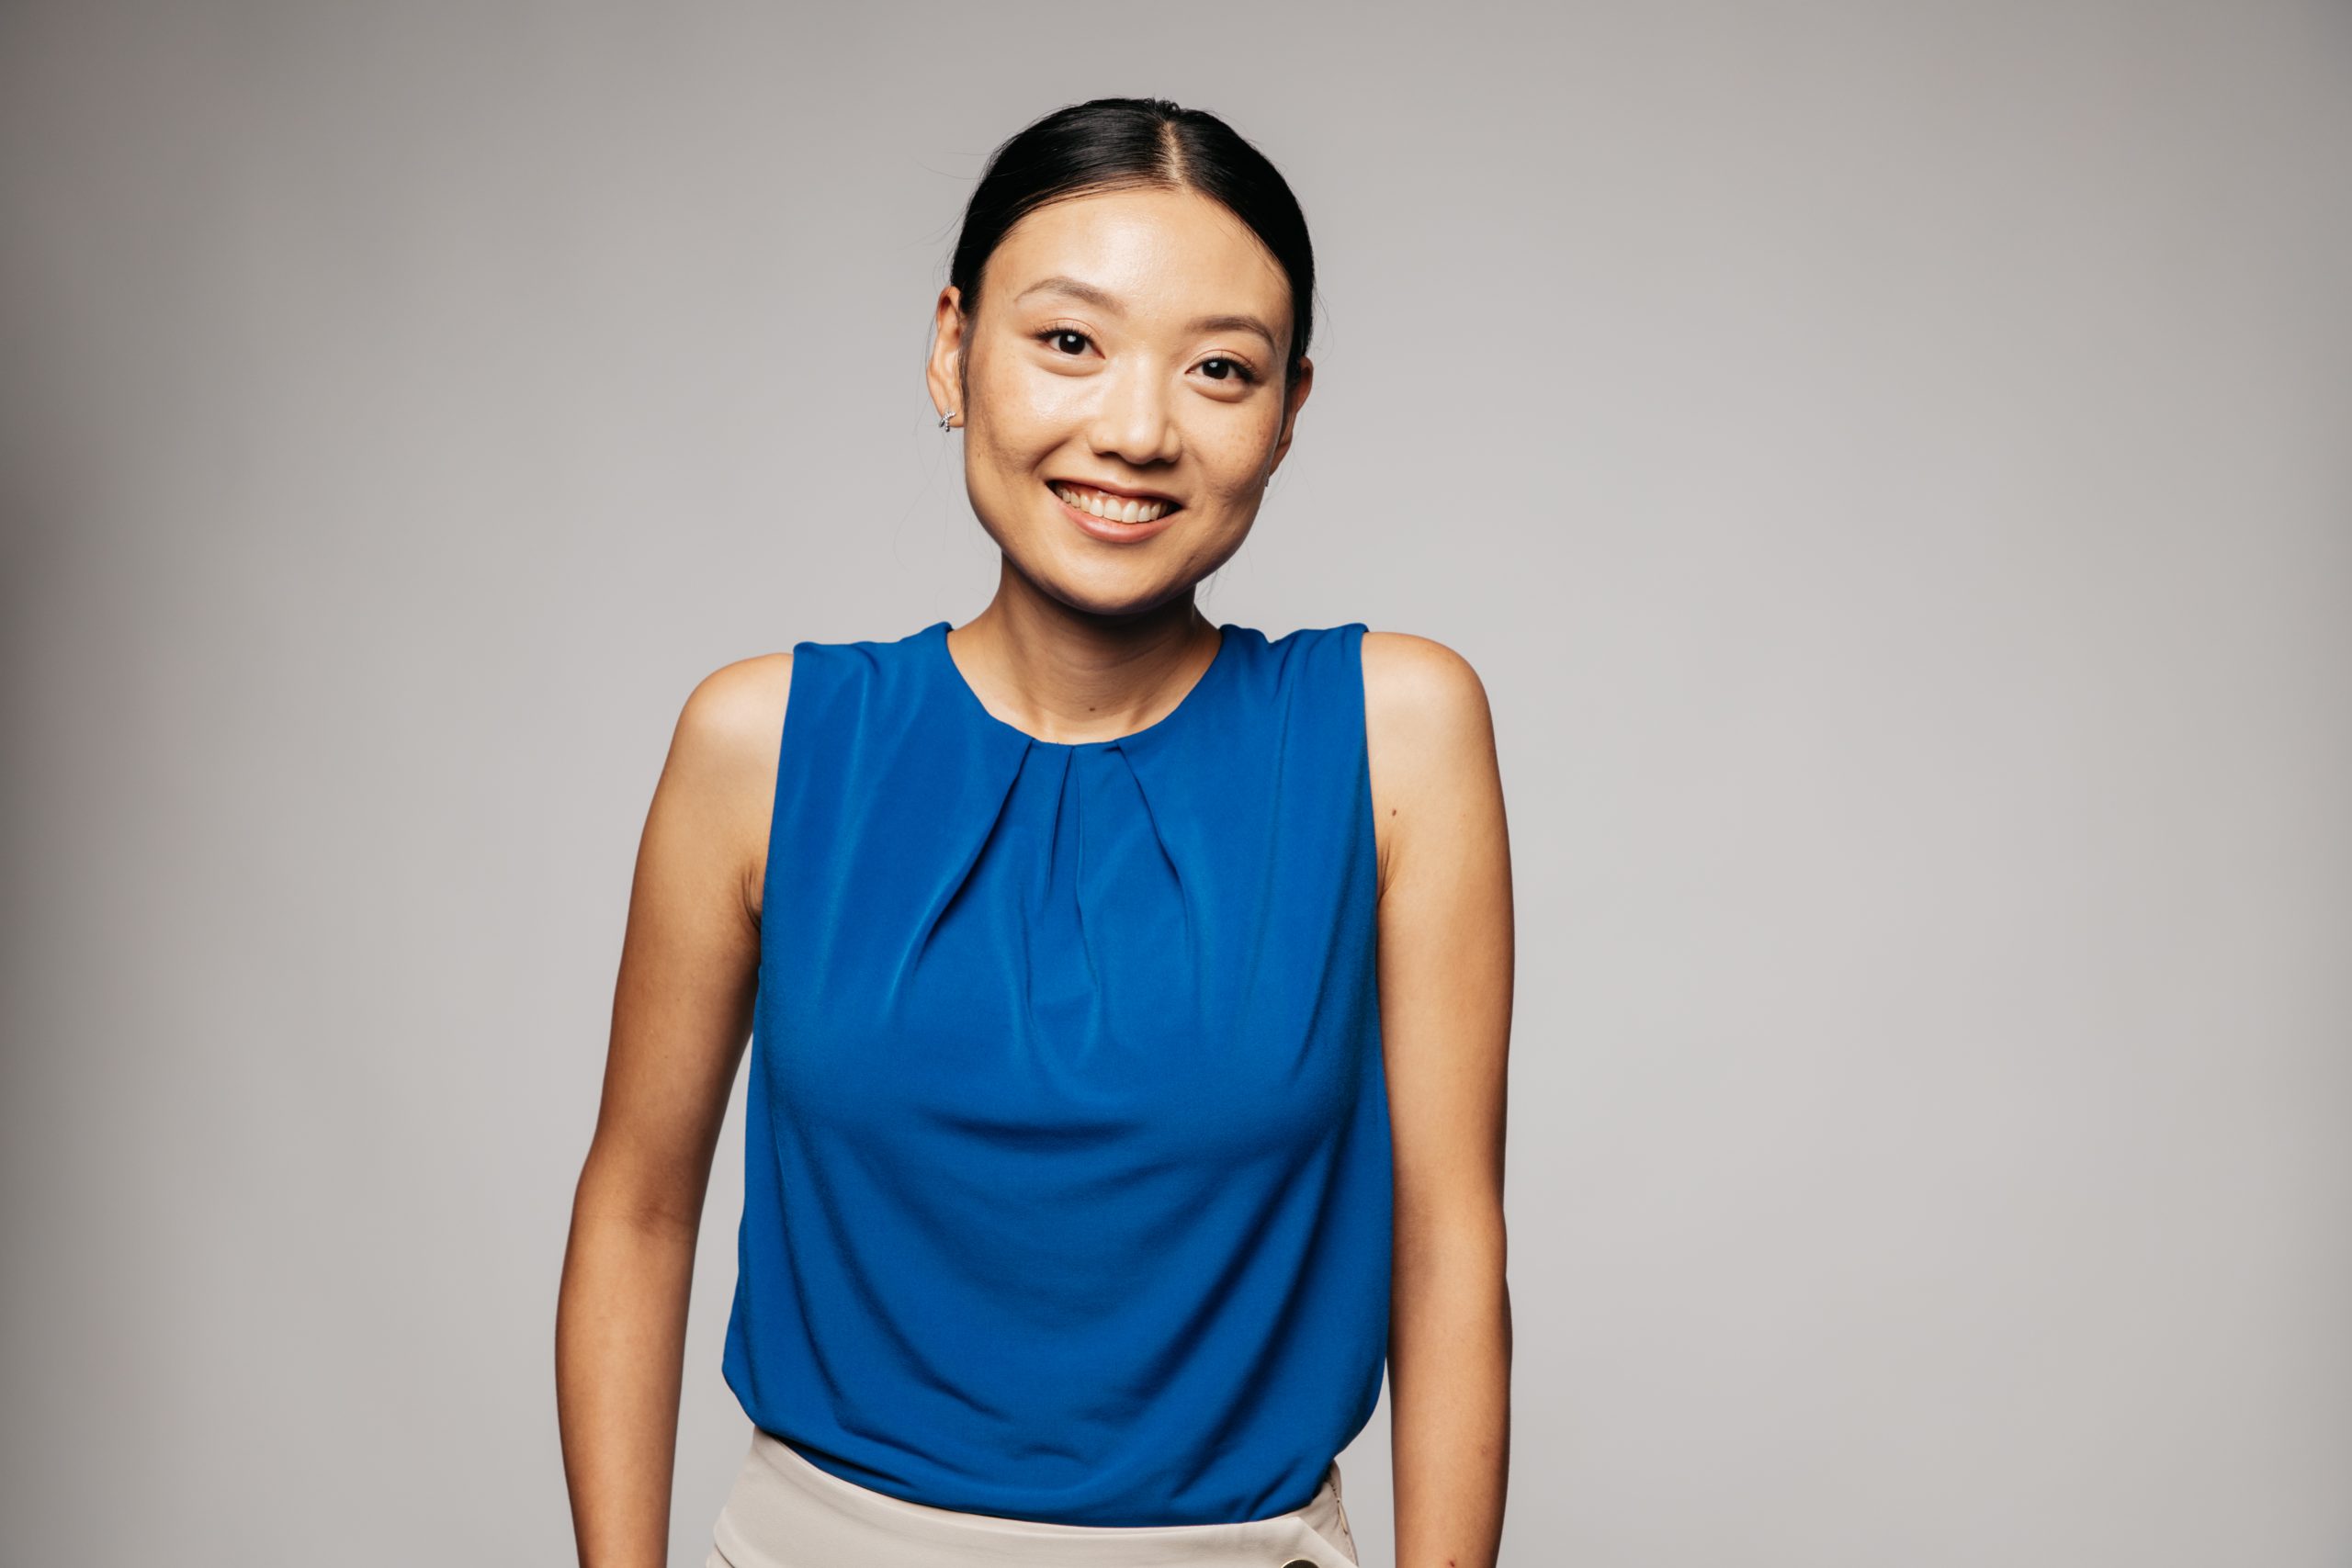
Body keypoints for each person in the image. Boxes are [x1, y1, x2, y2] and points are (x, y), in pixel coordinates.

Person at [556, 96, 1513, 1568]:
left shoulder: (1396, 733)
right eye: (1069, 341)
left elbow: (1447, 1246)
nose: (1135, 428)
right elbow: (635, 1210)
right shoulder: (763, 744)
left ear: (1289, 411)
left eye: (1218, 369)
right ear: (953, 350)